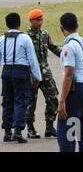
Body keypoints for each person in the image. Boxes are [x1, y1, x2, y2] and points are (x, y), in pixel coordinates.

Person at [1, 12, 42, 143]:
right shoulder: (25, 38)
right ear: (19, 24)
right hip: (21, 72)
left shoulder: (2, 39)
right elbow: (32, 60)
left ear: (7, 25)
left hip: (6, 71)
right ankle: (18, 131)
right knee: (21, 100)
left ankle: (7, 132)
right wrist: (37, 77)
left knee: (7, 101)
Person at [57, 12, 83, 152]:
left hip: (75, 92)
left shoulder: (68, 47)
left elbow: (69, 74)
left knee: (67, 134)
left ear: (62, 28)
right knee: (82, 133)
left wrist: (62, 101)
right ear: (77, 25)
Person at [25, 9, 61, 139]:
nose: (40, 22)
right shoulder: (26, 37)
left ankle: (49, 126)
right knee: (31, 101)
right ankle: (30, 127)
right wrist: (28, 75)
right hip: (32, 74)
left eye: (41, 20)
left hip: (46, 73)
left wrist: (66, 54)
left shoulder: (45, 34)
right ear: (31, 21)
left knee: (53, 98)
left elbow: (54, 48)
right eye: (37, 20)